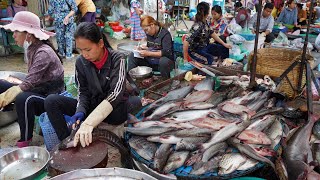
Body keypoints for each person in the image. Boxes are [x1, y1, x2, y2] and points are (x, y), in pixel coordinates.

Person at [44, 22, 136, 147]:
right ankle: (67, 142)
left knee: (131, 105)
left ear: (100, 43)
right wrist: (80, 111)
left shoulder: (117, 59)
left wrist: (89, 123)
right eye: (80, 50)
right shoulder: (81, 62)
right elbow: (83, 92)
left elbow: (115, 93)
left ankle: (92, 126)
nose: (84, 54)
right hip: (92, 105)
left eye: (88, 49)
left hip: (111, 109)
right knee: (51, 101)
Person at [0, 11, 64, 148]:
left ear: (28, 33)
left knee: (23, 98)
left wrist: (5, 98)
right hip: (38, 89)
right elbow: (31, 81)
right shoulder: (32, 49)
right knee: (2, 85)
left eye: (16, 31)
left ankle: (25, 139)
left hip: (51, 97)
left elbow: (28, 84)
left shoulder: (43, 52)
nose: (14, 35)